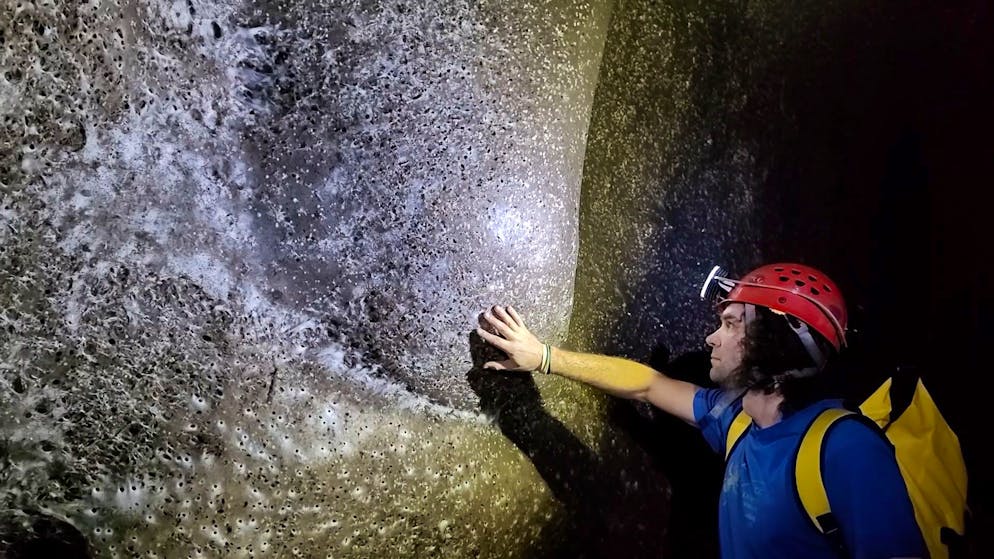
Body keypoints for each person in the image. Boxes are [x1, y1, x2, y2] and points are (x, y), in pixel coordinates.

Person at [475, 262, 926, 558]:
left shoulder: (844, 448)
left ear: (775, 341)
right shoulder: (738, 422)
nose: (712, 338)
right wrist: (544, 357)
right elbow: (649, 385)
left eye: (730, 324)